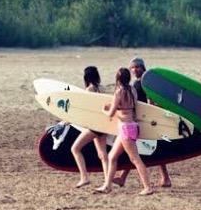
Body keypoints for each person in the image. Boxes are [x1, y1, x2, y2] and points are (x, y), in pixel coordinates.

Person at [112, 57, 171, 189]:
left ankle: (164, 178)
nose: (134, 70)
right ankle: (123, 177)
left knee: (141, 151)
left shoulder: (145, 82)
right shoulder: (137, 83)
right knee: (136, 150)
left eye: (137, 67)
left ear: (143, 67)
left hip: (144, 120)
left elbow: (151, 100)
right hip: (139, 120)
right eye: (132, 67)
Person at [94, 67, 154, 195]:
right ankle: (107, 186)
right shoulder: (132, 90)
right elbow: (128, 108)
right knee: (112, 156)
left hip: (126, 128)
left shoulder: (118, 92)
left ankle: (148, 187)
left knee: (135, 159)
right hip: (132, 126)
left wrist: (104, 110)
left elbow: (111, 114)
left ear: (118, 79)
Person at [71, 65, 110, 188]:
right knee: (103, 155)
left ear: (86, 77)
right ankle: (107, 182)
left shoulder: (89, 90)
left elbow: (87, 110)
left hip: (94, 126)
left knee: (75, 149)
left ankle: (84, 177)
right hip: (104, 125)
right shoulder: (103, 88)